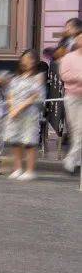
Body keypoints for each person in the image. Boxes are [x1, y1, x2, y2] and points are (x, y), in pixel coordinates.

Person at [5, 49, 45, 181]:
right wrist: (11, 108)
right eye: (25, 58)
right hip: (15, 113)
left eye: (30, 58)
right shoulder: (16, 77)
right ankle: (17, 168)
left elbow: (35, 96)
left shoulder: (38, 76)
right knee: (16, 141)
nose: (27, 60)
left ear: (35, 61)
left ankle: (30, 170)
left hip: (29, 113)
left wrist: (19, 108)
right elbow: (10, 94)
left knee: (29, 141)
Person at [58, 34, 82, 174]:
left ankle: (71, 160)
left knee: (80, 130)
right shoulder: (69, 57)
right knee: (75, 130)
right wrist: (79, 77)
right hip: (73, 97)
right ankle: (76, 160)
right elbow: (64, 75)